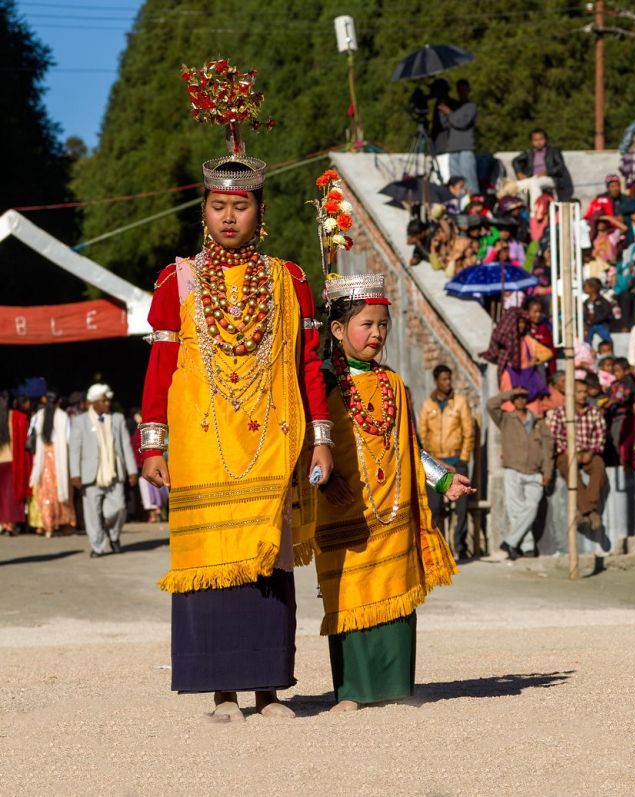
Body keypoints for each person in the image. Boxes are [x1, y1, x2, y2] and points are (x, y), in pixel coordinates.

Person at [139, 73, 334, 720]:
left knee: (269, 563)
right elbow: (162, 364)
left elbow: (309, 363)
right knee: (215, 561)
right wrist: (152, 441)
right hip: (201, 445)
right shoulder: (179, 281)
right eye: (218, 206)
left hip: (274, 439)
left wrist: (324, 437)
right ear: (204, 209)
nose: (229, 216)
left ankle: (270, 686)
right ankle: (221, 688)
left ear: (260, 209)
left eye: (241, 205)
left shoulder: (290, 281)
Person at [314, 273, 468, 713]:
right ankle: (354, 691)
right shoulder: (322, 388)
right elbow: (306, 446)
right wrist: (323, 482)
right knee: (351, 598)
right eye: (367, 324)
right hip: (342, 511)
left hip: (392, 509)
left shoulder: (394, 384)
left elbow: (409, 447)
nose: (377, 334)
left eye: (383, 325)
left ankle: (395, 685)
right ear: (339, 330)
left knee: (395, 594)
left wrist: (442, 478)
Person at [70, 384, 137, 557]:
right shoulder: (79, 421)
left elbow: (125, 446)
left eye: (108, 400)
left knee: (119, 509)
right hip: (90, 474)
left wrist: (132, 470)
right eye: (103, 400)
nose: (107, 403)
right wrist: (75, 473)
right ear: (93, 402)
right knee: (92, 513)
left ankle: (113, 535)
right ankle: (97, 546)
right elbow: (75, 449)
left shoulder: (117, 419)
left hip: (114, 473)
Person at [487, 387, 553, 560]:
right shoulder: (506, 419)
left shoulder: (538, 422)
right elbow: (490, 405)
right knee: (516, 511)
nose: (521, 401)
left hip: (534, 472)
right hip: (513, 470)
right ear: (513, 400)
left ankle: (509, 542)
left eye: (524, 397)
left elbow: (548, 449)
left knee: (531, 507)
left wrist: (547, 471)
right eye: (517, 398)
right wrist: (509, 393)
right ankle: (528, 547)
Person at [418, 364, 474, 561]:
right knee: (435, 508)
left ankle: (461, 546)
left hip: (457, 459)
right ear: (436, 381)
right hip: (436, 464)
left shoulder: (460, 403)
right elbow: (422, 435)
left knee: (462, 508)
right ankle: (442, 548)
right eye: (443, 379)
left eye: (449, 379)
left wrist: (464, 459)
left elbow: (468, 432)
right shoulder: (427, 405)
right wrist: (432, 460)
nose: (447, 383)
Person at [549, 379, 607, 534]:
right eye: (579, 392)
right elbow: (554, 436)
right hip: (567, 452)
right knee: (570, 471)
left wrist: (591, 452)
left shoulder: (593, 412)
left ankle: (589, 508)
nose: (582, 396)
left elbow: (600, 434)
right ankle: (588, 511)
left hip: (588, 452)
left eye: (584, 392)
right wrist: (570, 451)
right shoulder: (561, 412)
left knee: (598, 467)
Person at [28, 395, 75, 537]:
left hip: (43, 458)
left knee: (45, 491)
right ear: (59, 401)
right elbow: (68, 439)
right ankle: (64, 523)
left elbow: (31, 435)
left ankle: (47, 525)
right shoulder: (63, 416)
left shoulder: (39, 416)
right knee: (60, 489)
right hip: (59, 457)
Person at [439, 78, 479, 195]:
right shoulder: (454, 106)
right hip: (453, 148)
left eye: (464, 89)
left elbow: (461, 123)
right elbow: (445, 124)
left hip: (465, 148)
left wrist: (449, 112)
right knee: (455, 183)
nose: (461, 92)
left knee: (469, 181)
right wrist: (442, 110)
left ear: (468, 90)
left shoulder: (471, 106)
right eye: (459, 89)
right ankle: (458, 206)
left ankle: (474, 204)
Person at [512, 127, 572, 202]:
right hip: (533, 178)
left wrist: (547, 172)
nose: (538, 142)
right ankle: (523, 210)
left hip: (551, 178)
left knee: (535, 184)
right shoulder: (529, 153)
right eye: (535, 140)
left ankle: (536, 211)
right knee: (518, 187)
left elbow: (560, 166)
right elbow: (515, 161)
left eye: (541, 139)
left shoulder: (554, 151)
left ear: (546, 139)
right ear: (532, 141)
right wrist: (519, 173)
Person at [0, 392, 31, 536]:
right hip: (12, 460)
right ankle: (10, 524)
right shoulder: (19, 417)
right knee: (10, 495)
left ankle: (2, 524)